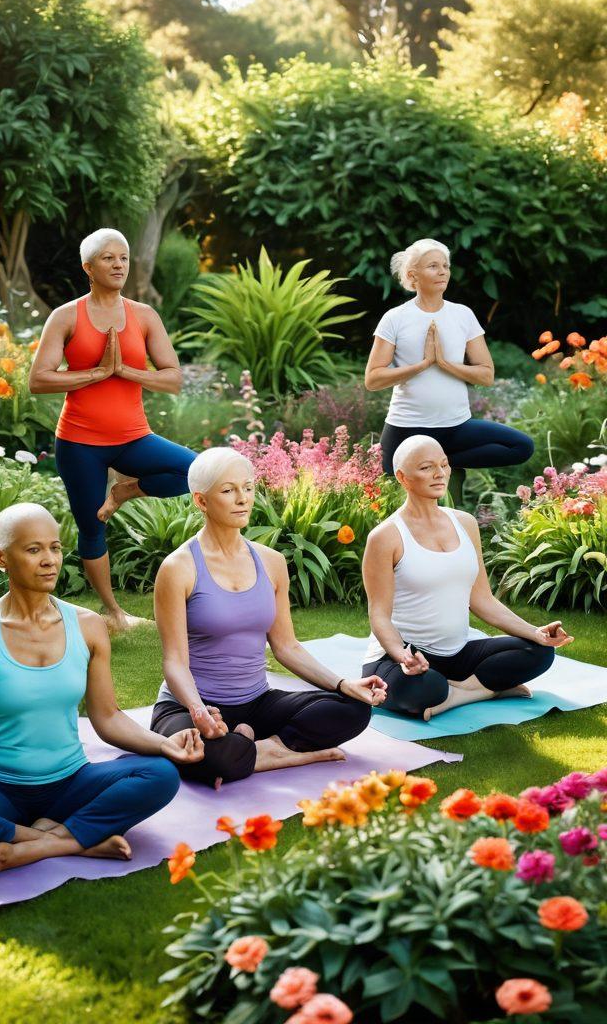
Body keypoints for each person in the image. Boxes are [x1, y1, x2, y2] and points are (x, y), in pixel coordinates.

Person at [0, 503, 202, 879]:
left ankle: (38, 845)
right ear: (1, 558)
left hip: (69, 782)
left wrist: (164, 744)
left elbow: (108, 717)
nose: (50, 560)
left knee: (161, 774)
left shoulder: (87, 627)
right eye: (34, 550)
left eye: (55, 548)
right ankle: (69, 837)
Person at [150, 447, 386, 789]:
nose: (242, 498)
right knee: (204, 754)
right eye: (228, 490)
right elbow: (174, 662)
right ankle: (278, 751)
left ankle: (257, 751)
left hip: (257, 703)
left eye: (247, 487)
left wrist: (342, 684)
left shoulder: (271, 562)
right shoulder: (178, 568)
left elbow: (286, 646)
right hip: (190, 706)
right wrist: (199, 712)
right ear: (201, 501)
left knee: (353, 709)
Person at [29, 228, 196, 632]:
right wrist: (96, 373)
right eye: (108, 258)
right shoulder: (66, 316)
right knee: (91, 527)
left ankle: (125, 490)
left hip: (133, 437)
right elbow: (39, 380)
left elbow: (173, 378)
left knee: (196, 471)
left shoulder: (143, 316)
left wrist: (124, 371)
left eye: (123, 257)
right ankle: (114, 611)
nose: (119, 264)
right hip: (79, 442)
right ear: (88, 267)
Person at [361, 435, 570, 721]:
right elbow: (379, 616)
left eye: (444, 465)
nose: (439, 474)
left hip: (456, 654)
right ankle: (485, 688)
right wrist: (403, 657)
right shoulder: (385, 537)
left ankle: (461, 694)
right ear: (402, 477)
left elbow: (482, 599)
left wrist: (535, 632)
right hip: (401, 658)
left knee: (539, 652)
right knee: (424, 689)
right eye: (426, 468)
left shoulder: (465, 523)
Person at [364, 238, 533, 485]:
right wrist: (423, 364)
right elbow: (373, 379)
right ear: (413, 275)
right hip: (407, 428)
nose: (442, 271)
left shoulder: (462, 315)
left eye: (445, 265)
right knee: (388, 486)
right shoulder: (395, 318)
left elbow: (486, 375)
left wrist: (444, 363)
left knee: (522, 446)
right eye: (433, 266)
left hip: (456, 427)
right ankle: (432, 462)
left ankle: (439, 462)